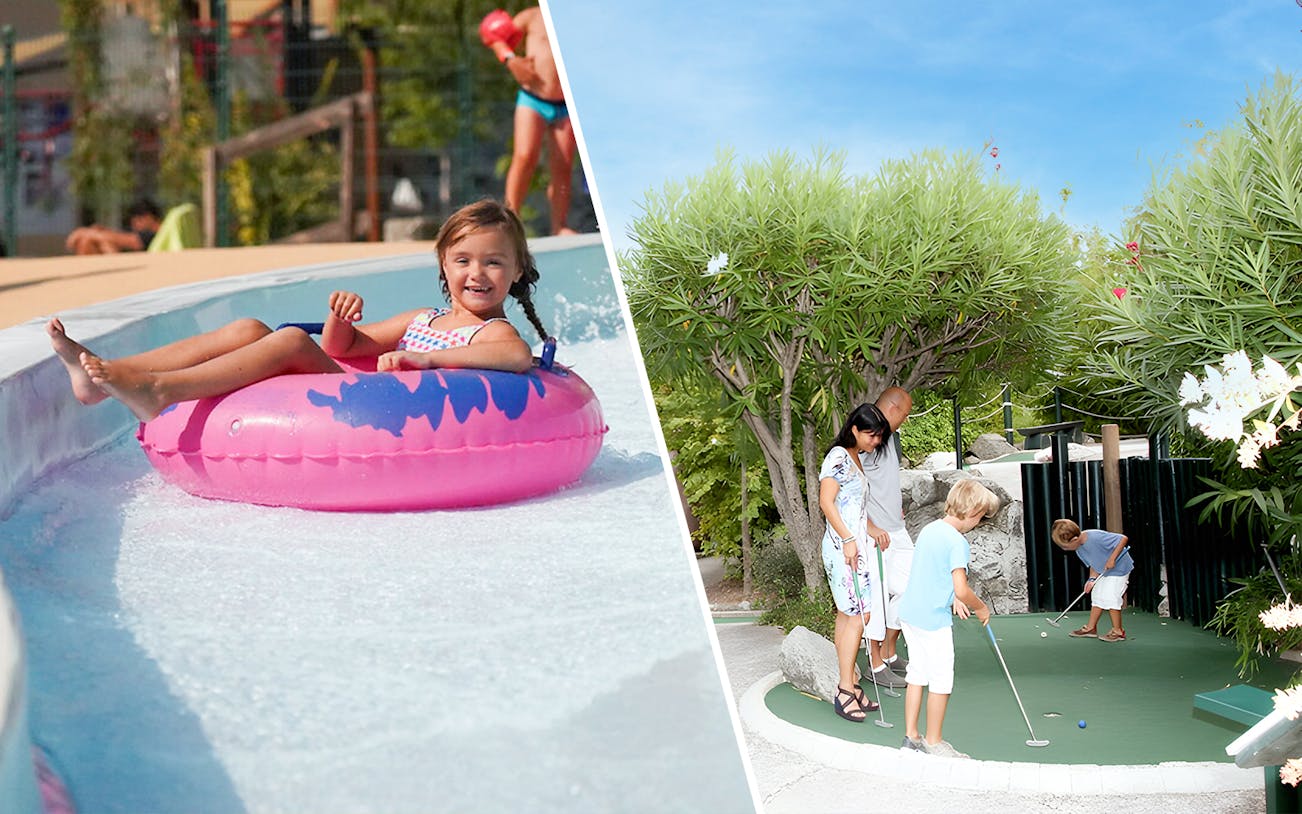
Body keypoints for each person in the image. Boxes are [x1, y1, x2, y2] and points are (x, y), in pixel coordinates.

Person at [47, 199, 549, 422]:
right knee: (249, 328)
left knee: (289, 341)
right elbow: (343, 349)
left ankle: (160, 392)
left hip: (383, 410)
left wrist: (427, 361)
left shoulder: (492, 334)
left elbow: (517, 356)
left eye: (494, 262)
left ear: (518, 269)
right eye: (463, 260)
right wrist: (340, 319)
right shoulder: (423, 319)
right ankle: (108, 380)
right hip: (363, 389)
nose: (476, 273)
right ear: (444, 262)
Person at [897, 478, 999, 758]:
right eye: (981, 517)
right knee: (941, 679)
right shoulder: (958, 542)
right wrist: (979, 607)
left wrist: (952, 596)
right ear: (974, 513)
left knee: (917, 673)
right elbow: (962, 588)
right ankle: (934, 741)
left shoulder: (931, 529)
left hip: (910, 614)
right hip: (932, 621)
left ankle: (911, 736)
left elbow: (933, 570)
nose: (979, 522)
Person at [818, 402, 892, 723]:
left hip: (854, 545)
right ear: (854, 430)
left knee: (848, 616)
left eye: (878, 437)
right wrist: (848, 539)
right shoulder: (837, 457)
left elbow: (853, 505)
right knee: (859, 616)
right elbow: (826, 501)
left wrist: (870, 529)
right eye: (871, 435)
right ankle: (845, 689)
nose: (875, 442)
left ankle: (851, 685)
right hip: (842, 548)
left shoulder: (855, 460)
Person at [479, 6, 578, 235]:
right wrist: (511, 60)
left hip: (564, 105)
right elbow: (494, 35)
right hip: (532, 99)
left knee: (562, 166)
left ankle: (559, 225)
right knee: (524, 157)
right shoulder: (532, 16)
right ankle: (509, 220)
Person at [861, 386, 914, 691]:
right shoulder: (868, 436)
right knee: (877, 596)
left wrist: (896, 505)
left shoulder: (890, 438)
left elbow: (882, 482)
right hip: (876, 534)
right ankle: (875, 662)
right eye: (905, 414)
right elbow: (848, 489)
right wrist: (868, 525)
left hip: (896, 528)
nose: (905, 420)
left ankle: (891, 653)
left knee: (912, 584)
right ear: (894, 410)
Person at [1051, 519, 1133, 642]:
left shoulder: (1095, 537)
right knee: (1097, 596)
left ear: (1074, 540)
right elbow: (1093, 564)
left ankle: (1118, 631)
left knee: (1111, 597)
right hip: (1104, 572)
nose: (1064, 549)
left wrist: (1112, 559)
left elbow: (1123, 539)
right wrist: (1091, 579)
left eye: (1065, 546)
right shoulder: (1079, 548)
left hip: (1119, 569)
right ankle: (1091, 628)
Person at [65, 198, 162, 255]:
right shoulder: (145, 234)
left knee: (91, 239)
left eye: (138, 218)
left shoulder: (156, 234)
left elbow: (130, 241)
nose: (134, 223)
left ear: (149, 217)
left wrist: (86, 232)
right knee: (89, 241)